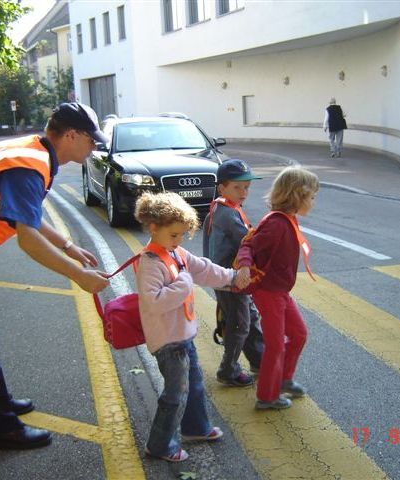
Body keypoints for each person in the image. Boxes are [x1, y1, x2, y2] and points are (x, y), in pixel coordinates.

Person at [0, 102, 110, 449]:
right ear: (71, 135)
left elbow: (28, 214)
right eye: (91, 140)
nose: (94, 147)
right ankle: (1, 427)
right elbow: (28, 239)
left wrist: (68, 246)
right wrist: (79, 277)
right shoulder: (28, 165)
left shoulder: (33, 152)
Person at [134, 191, 249, 462]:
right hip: (168, 341)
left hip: (182, 336)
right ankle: (160, 445)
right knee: (175, 394)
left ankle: (195, 428)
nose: (179, 241)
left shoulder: (176, 252)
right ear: (153, 228)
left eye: (183, 235)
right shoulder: (150, 263)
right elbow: (153, 302)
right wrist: (184, 283)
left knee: (194, 384)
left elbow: (204, 269)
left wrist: (233, 278)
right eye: (174, 235)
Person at [236, 166, 319, 410]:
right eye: (311, 196)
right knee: (275, 344)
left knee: (299, 334)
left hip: (280, 291)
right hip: (269, 293)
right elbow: (249, 246)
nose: (313, 202)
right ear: (297, 195)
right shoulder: (276, 224)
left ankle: (283, 380)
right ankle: (267, 396)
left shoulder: (288, 219)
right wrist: (243, 267)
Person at [202, 159, 264, 387]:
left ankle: (260, 360)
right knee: (240, 325)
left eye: (247, 187)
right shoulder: (227, 214)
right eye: (238, 187)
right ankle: (228, 370)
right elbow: (251, 241)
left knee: (248, 318)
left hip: (229, 277)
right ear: (222, 188)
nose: (244, 192)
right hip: (230, 279)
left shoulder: (221, 208)